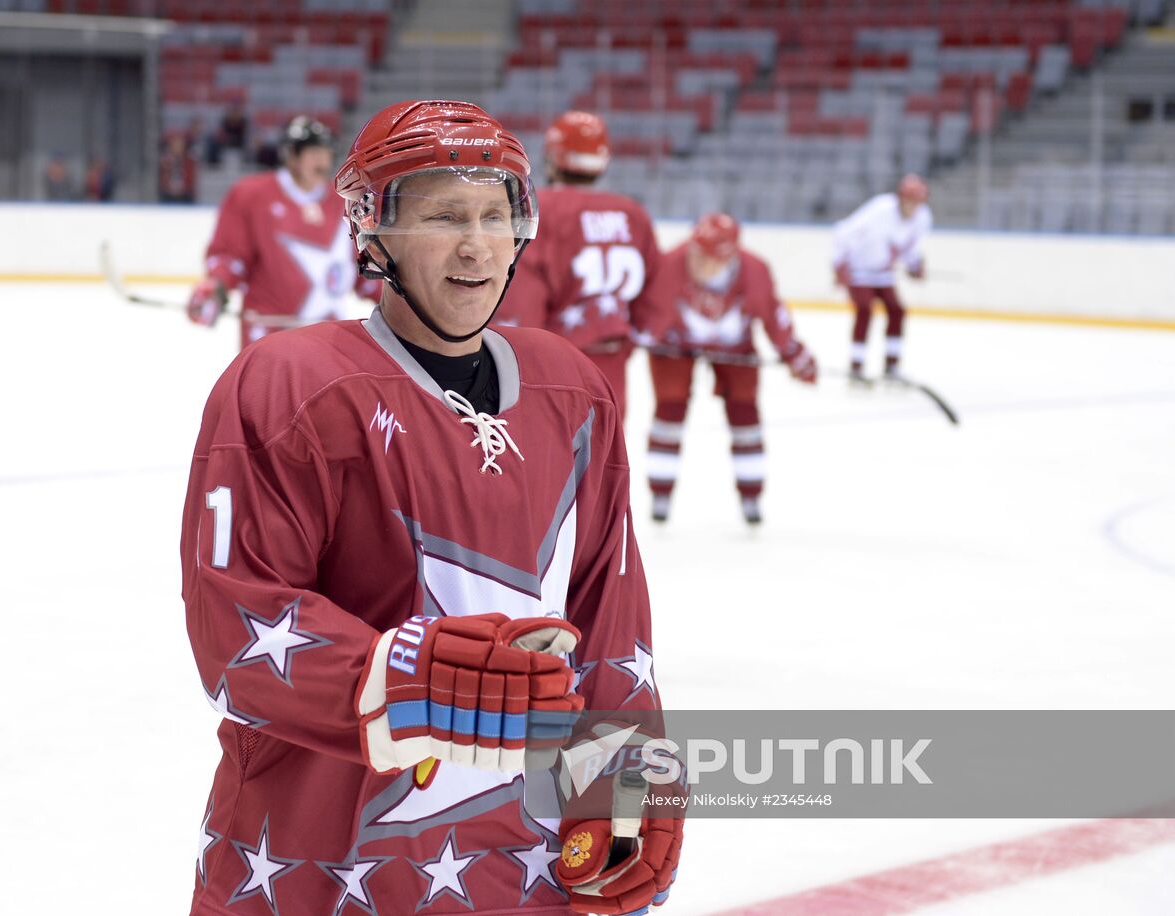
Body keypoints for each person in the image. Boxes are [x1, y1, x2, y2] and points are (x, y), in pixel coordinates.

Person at [180, 100, 682, 915]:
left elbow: (608, 615)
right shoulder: (289, 387)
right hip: (326, 863)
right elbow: (235, 623)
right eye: (445, 215)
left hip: (520, 859)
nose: (477, 243)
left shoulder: (571, 390)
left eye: (495, 214)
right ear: (372, 229)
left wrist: (625, 782)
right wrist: (406, 679)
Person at [644, 213, 817, 525]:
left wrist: (795, 355)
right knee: (669, 410)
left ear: (729, 257)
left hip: (735, 348)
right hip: (674, 345)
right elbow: (649, 315)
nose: (697, 262)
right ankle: (660, 492)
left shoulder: (754, 270)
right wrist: (631, 340)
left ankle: (751, 495)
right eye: (695, 252)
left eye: (707, 257)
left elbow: (774, 318)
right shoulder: (672, 262)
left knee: (745, 414)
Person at [497, 110, 661, 413]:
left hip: (549, 364)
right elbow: (654, 296)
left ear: (553, 156)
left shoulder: (540, 208)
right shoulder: (633, 213)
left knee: (546, 454)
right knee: (602, 454)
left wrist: (510, 349)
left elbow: (521, 290)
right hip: (611, 365)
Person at [186, 115, 372, 348]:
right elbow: (231, 254)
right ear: (291, 157)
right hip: (268, 332)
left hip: (326, 334)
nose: (322, 162)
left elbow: (361, 265)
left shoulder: (342, 201)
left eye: (325, 154)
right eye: (313, 154)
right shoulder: (252, 195)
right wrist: (217, 286)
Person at [831, 174, 932, 380]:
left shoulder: (923, 217)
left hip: (884, 274)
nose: (913, 207)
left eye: (917, 202)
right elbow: (843, 231)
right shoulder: (880, 209)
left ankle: (891, 366)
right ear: (901, 198)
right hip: (859, 270)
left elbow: (910, 248)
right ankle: (856, 366)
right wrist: (838, 263)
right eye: (909, 201)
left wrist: (915, 265)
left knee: (897, 311)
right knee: (865, 311)